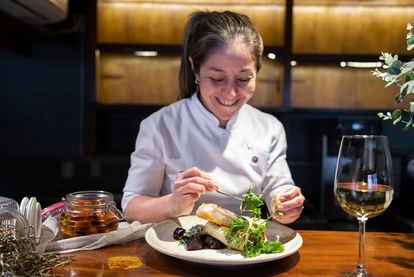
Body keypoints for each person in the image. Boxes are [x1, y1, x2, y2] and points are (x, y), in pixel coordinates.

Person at [121, 10, 305, 224]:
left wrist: (286, 204)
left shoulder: (269, 128)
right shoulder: (160, 125)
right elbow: (132, 207)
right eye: (217, 78)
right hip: (178, 247)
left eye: (243, 79)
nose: (230, 93)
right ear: (195, 69)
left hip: (244, 251)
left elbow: (278, 190)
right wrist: (173, 203)